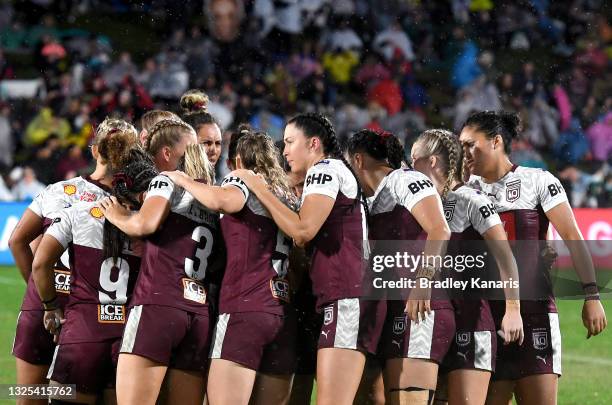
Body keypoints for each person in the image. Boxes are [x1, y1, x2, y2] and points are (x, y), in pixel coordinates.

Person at [459, 111, 607, 405]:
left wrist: (591, 295)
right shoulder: (464, 191)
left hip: (535, 313)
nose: (464, 153)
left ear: (496, 142)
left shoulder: (537, 181)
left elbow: (573, 238)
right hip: (483, 319)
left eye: (470, 144)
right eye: (461, 146)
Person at [232, 113, 375, 405]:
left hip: (346, 297)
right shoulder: (335, 170)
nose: (284, 151)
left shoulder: (324, 170)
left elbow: (302, 230)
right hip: (347, 296)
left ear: (313, 144)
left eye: (289, 142)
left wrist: (259, 188)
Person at [163, 125, 297, 405]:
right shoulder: (286, 198)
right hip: (281, 315)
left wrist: (182, 179)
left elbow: (222, 200)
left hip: (244, 309)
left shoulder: (243, 180)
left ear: (238, 161)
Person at [9, 118, 136, 405]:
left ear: (94, 151)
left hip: (45, 307)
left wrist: (42, 295)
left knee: (32, 398)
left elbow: (17, 241)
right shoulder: (131, 204)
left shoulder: (58, 189)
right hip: (98, 316)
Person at [99, 143, 222, 405]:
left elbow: (146, 224)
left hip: (158, 305)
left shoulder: (166, 182)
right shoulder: (214, 201)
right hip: (198, 315)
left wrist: (118, 215)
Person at [410, 129, 523, 405]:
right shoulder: (418, 204)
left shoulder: (474, 201)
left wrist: (512, 309)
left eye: (414, 159)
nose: (409, 167)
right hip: (430, 324)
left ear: (432, 161)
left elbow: (506, 258)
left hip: (472, 324)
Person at [346, 129, 452, 405]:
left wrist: (423, 282)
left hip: (420, 308)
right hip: (395, 309)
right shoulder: (373, 199)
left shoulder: (405, 180)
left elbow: (439, 230)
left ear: (357, 160)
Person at [180, 89, 223, 167]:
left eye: (218, 143)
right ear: (187, 143)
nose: (214, 150)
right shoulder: (169, 178)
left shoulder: (215, 178)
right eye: (207, 143)